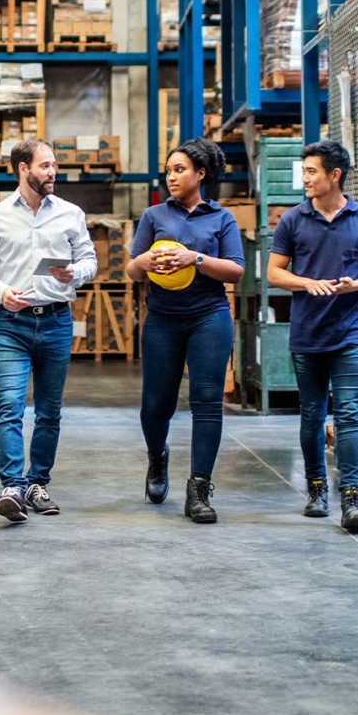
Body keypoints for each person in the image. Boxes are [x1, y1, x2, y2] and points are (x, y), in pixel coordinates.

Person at [0, 139, 97, 523]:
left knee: (49, 411)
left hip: (57, 322)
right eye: (45, 166)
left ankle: (38, 483)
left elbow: (89, 260)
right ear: (23, 169)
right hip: (11, 324)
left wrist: (75, 272)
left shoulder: (71, 214)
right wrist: (0, 292)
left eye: (54, 165)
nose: (52, 172)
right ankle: (12, 486)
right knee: (9, 406)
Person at [267, 139, 358, 531]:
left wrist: (357, 284)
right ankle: (316, 488)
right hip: (307, 334)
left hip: (350, 333)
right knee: (312, 414)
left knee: (349, 413)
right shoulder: (292, 220)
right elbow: (274, 273)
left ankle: (352, 497)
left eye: (311, 171)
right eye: (304, 171)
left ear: (334, 175)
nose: (304, 178)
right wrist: (306, 283)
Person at [126, 138, 245, 524]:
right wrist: (144, 261)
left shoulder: (221, 218)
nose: (171, 177)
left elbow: (236, 270)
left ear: (200, 174)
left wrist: (195, 258)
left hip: (209, 316)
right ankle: (157, 456)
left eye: (179, 170)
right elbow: (132, 269)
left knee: (207, 401)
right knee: (155, 405)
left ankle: (199, 489)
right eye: (169, 170)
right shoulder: (154, 216)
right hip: (162, 318)